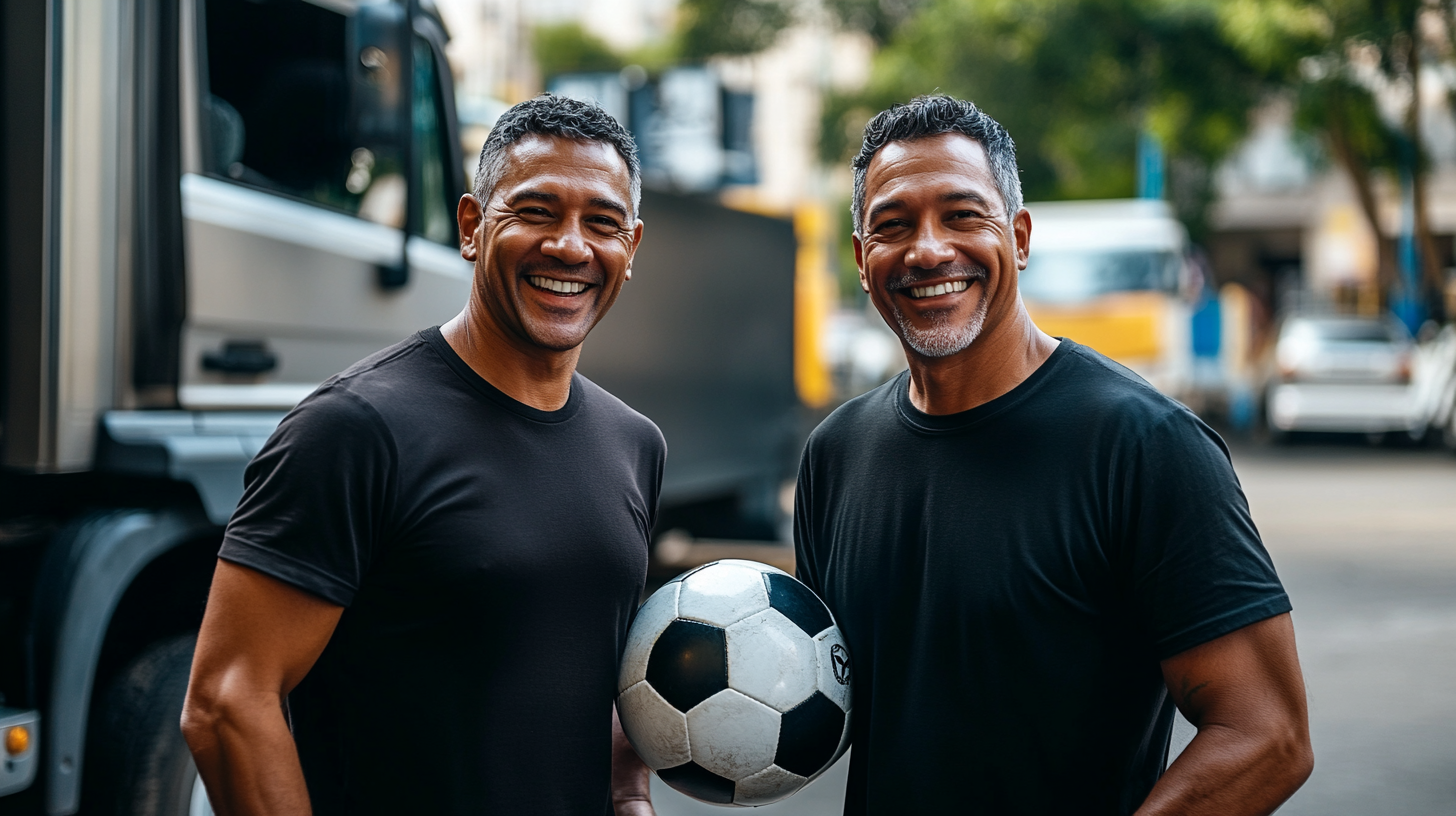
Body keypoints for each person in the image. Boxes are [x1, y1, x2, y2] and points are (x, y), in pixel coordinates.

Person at [794, 95, 1313, 815]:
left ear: (1021, 235)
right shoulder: (836, 454)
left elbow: (1269, 735)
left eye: (963, 214)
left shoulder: (1143, 445)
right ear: (861, 258)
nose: (929, 249)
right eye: (893, 225)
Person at [181, 95, 660, 816]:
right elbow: (226, 703)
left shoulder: (633, 444)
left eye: (602, 223)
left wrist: (629, 797)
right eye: (535, 211)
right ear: (472, 226)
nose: (570, 246)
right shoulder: (355, 430)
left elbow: (600, 674)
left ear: (630, 250)